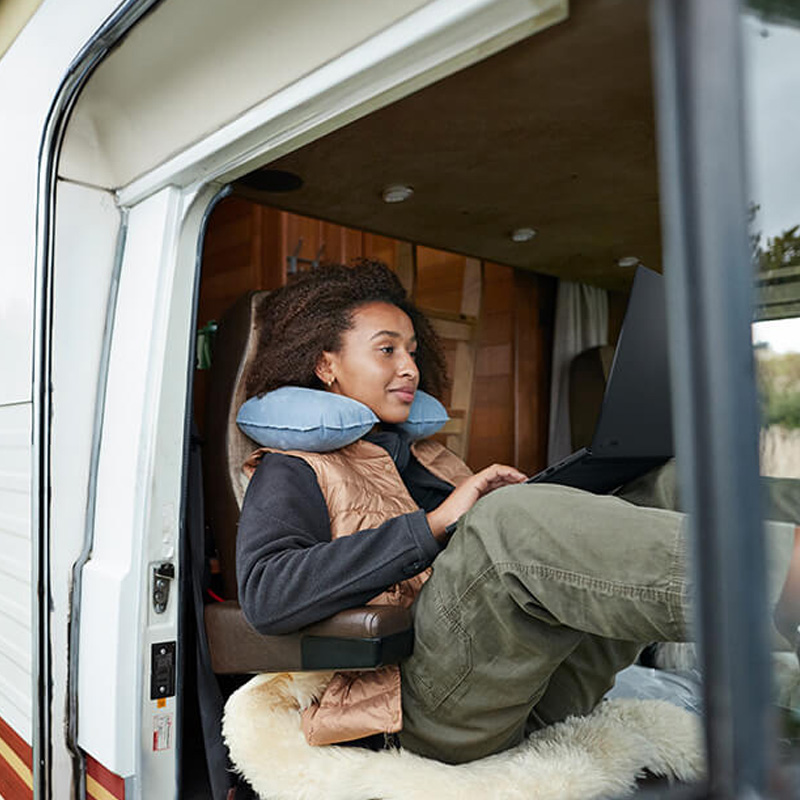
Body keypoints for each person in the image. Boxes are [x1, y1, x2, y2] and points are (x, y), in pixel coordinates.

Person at [235, 260, 800, 765]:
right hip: (414, 712)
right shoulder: (292, 467)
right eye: (387, 350)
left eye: (412, 350)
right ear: (326, 364)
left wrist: (562, 501)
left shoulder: (428, 455)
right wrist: (438, 525)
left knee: (670, 482)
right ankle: (787, 579)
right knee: (505, 520)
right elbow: (266, 593)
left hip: (528, 684)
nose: (409, 367)